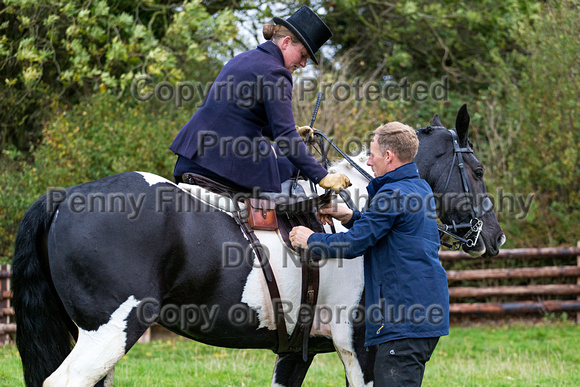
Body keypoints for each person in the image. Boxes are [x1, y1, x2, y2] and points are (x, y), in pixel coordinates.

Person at [289, 122, 449, 386]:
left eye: (372, 154)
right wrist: (351, 216)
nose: (370, 162)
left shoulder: (391, 194)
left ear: (389, 156)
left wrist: (311, 239)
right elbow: (388, 229)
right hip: (419, 317)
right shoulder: (418, 189)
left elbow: (354, 244)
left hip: (403, 320)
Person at [169, 6, 350, 193]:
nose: (303, 64)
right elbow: (285, 136)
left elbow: (239, 114)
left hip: (192, 153)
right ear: (286, 42)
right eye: (303, 55)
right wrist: (322, 176)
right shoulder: (277, 73)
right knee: (294, 167)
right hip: (222, 162)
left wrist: (292, 130)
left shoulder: (242, 58)